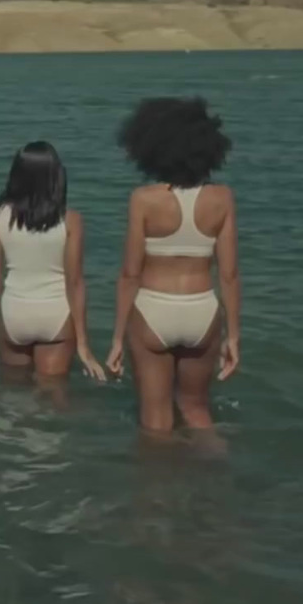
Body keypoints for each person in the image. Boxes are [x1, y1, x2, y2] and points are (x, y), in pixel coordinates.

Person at [107, 97, 241, 434]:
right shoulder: (221, 198)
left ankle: (156, 485)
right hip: (202, 312)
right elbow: (229, 274)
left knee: (156, 422)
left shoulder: (144, 200)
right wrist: (234, 336)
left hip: (154, 309)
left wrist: (118, 338)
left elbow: (129, 273)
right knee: (197, 411)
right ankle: (217, 479)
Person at [0, 141, 106, 384]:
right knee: (53, 397)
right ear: (56, 176)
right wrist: (83, 345)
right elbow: (75, 283)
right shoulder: (71, 220)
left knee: (11, 393)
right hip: (55, 314)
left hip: (15, 315)